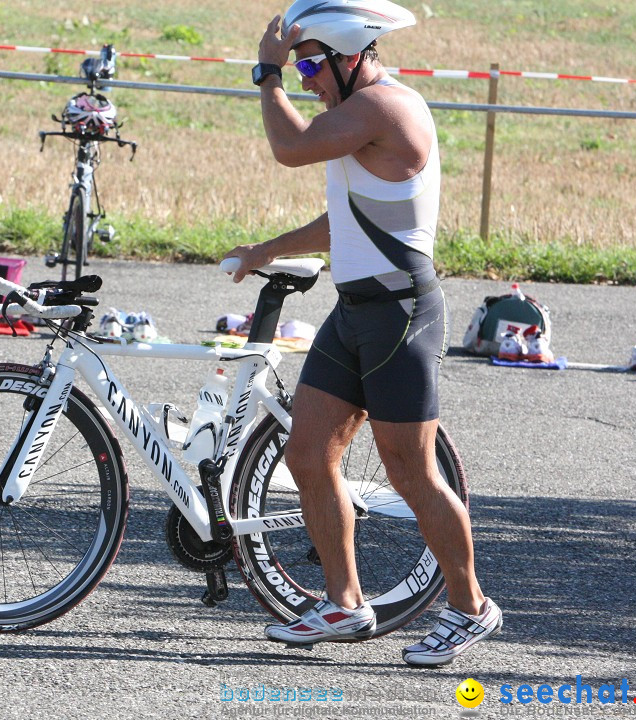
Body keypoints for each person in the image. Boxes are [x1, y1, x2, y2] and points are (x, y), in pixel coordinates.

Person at [225, 0, 501, 667]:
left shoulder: (385, 108)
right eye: (298, 67)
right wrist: (268, 248)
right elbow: (344, 218)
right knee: (307, 455)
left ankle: (470, 608)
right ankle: (345, 603)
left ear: (352, 56)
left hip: (400, 312)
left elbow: (289, 149)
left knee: (410, 471)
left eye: (313, 64)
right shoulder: (355, 116)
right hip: (355, 311)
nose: (306, 78)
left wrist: (265, 76)